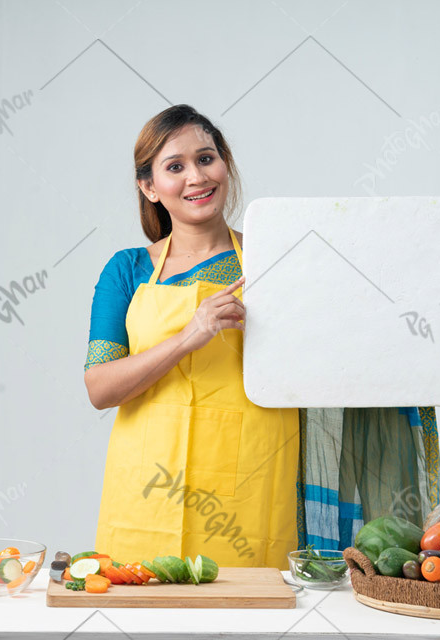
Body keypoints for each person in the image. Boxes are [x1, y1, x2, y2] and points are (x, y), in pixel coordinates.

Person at [83, 105, 298, 569]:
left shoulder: (274, 262)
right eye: (174, 167)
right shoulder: (128, 270)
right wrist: (188, 336)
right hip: (149, 489)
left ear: (226, 164)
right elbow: (100, 389)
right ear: (149, 187)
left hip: (251, 482)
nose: (196, 177)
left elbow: (322, 366)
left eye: (206, 158)